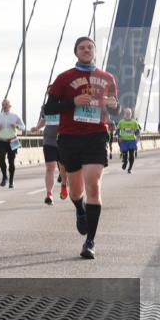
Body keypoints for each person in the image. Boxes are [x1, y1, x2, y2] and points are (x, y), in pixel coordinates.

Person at [43, 36, 119, 260]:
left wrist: (116, 106)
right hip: (70, 138)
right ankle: (80, 209)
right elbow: (48, 109)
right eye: (82, 48)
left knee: (93, 186)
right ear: (76, 52)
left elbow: (114, 109)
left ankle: (90, 241)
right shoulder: (64, 78)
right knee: (76, 192)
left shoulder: (107, 78)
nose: (86, 50)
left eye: (90, 47)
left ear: (95, 51)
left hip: (96, 136)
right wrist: (73, 102)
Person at [33, 97, 66, 205]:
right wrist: (37, 127)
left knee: (63, 167)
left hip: (63, 139)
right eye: (50, 92)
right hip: (49, 140)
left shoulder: (64, 105)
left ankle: (64, 186)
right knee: (50, 167)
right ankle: (49, 194)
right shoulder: (45, 107)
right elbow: (43, 119)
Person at [0, 99, 26, 188]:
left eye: (6, 104)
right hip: (2, 140)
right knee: (1, 159)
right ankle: (4, 177)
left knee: (11, 162)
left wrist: (16, 126)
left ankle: (11, 181)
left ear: (10, 106)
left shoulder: (15, 116)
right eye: (3, 104)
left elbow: (23, 127)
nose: (5, 106)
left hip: (13, 140)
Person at [115, 108, 142, 173]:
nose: (127, 114)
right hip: (124, 141)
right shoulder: (121, 122)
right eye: (126, 113)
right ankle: (125, 162)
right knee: (125, 155)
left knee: (131, 155)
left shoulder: (134, 122)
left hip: (132, 140)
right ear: (124, 114)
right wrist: (119, 137)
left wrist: (138, 135)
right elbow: (117, 131)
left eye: (129, 113)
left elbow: (137, 131)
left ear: (131, 114)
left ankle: (130, 168)